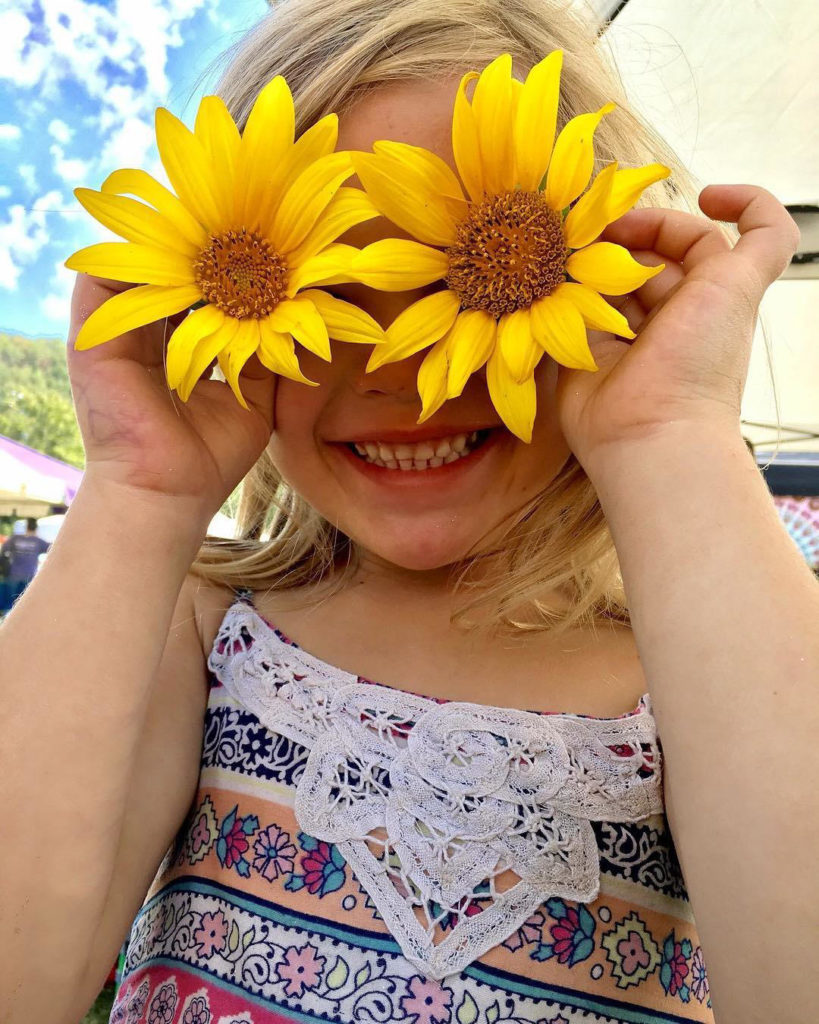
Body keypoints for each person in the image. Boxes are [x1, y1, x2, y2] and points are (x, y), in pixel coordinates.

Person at [0, 1, 816, 1022]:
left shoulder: (694, 674)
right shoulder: (204, 622)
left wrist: (669, 436)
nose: (401, 375)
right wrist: (139, 492)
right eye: (329, 292)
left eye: (472, 278)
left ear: (611, 288)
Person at [0, 517, 50, 613]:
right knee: (26, 605)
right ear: (36, 528)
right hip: (30, 576)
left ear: (26, 527)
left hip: (13, 575)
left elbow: (4, 551)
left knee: (11, 604)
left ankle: (6, 625)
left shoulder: (15, 539)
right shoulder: (37, 541)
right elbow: (52, 549)